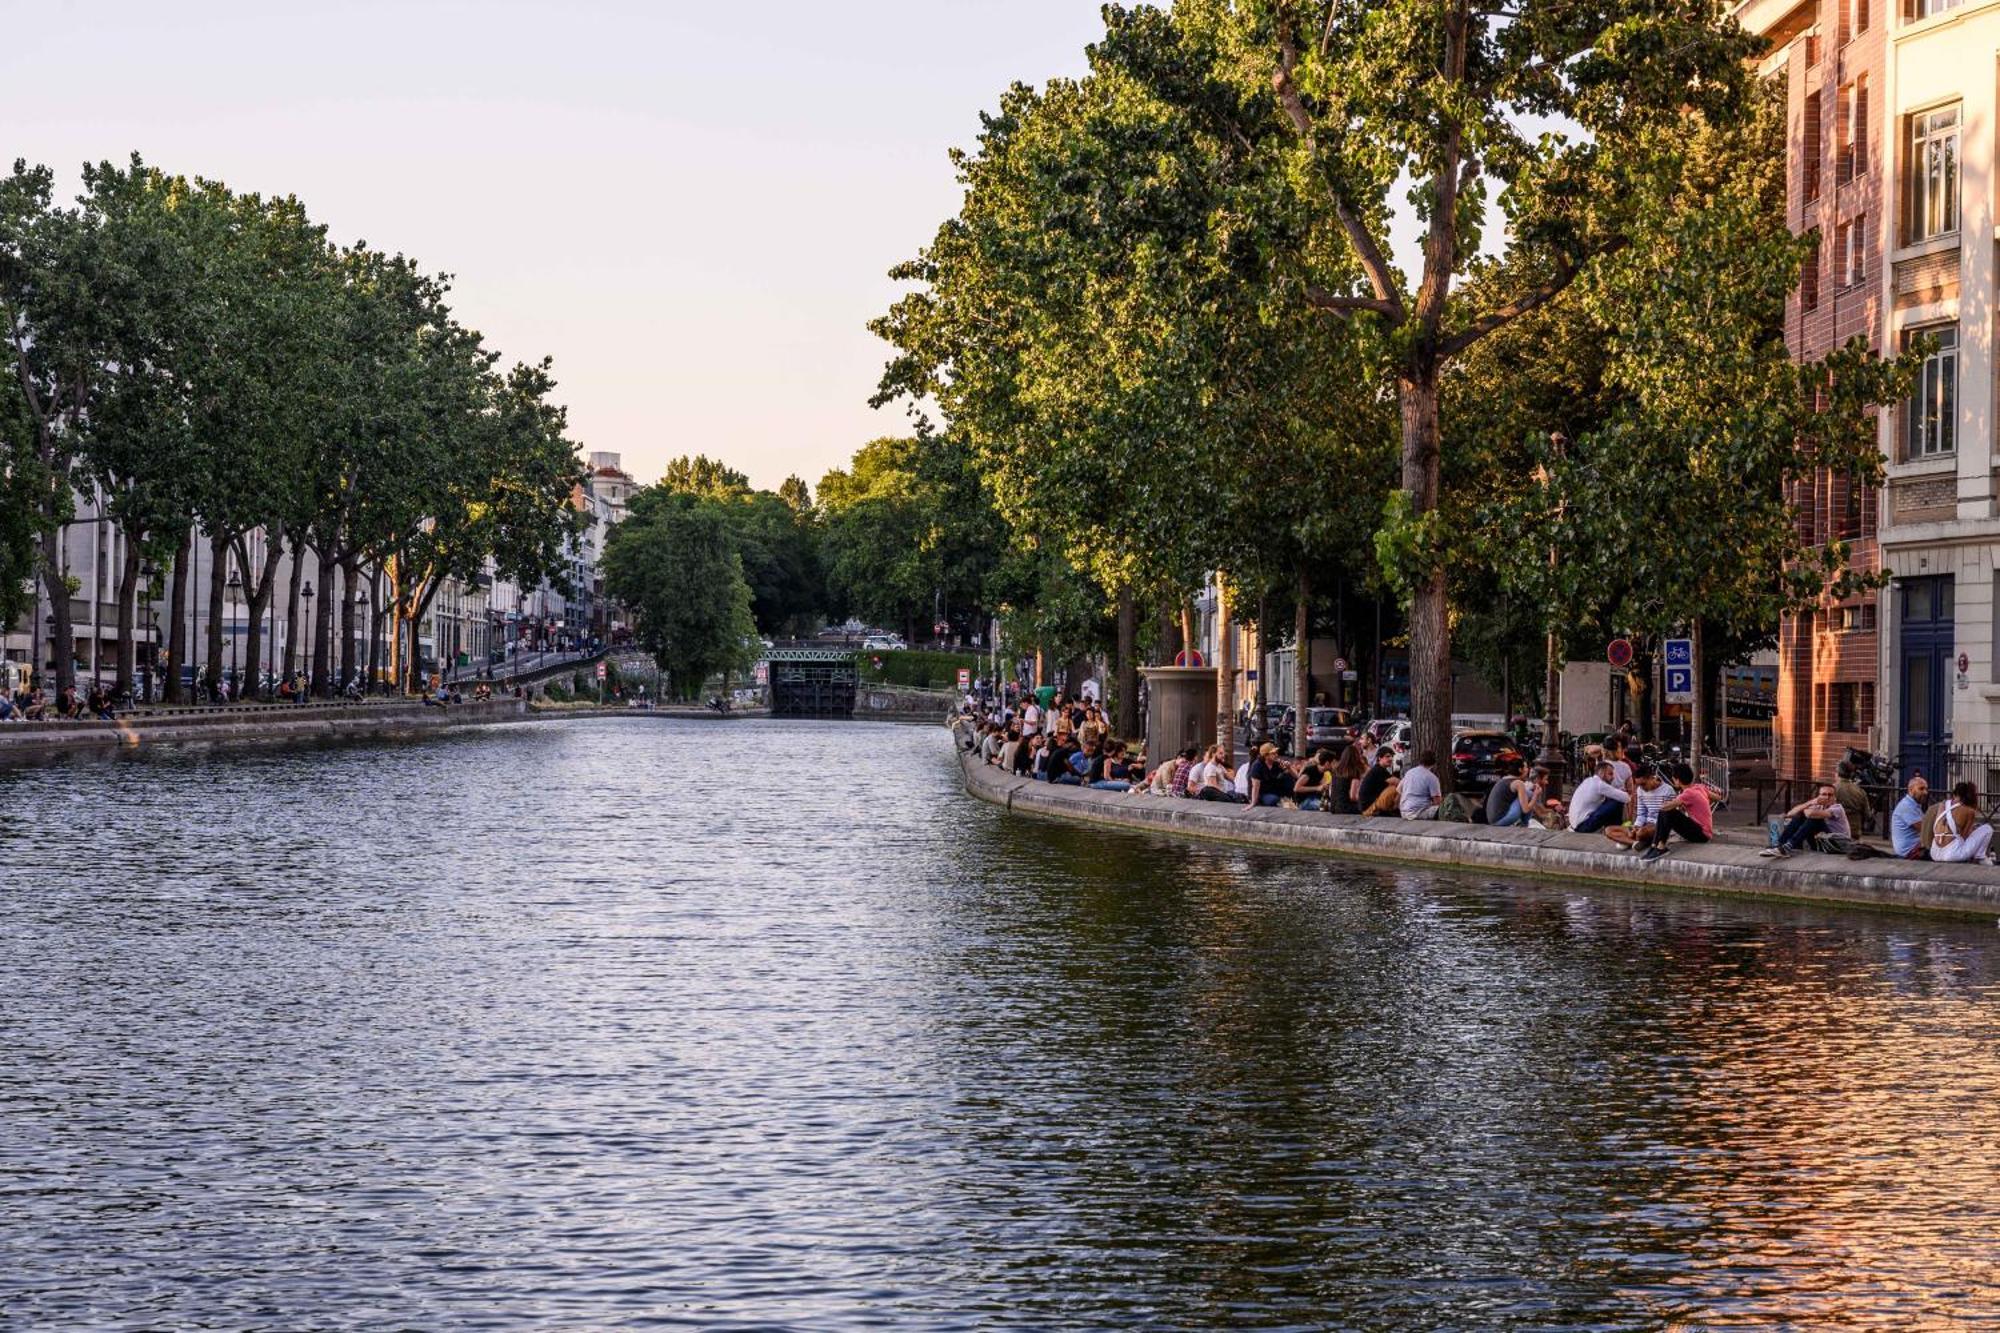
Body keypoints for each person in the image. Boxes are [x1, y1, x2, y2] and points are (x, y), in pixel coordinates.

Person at [1643, 762, 1715, 860]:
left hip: (1702, 835)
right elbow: (1718, 797)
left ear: (1677, 780)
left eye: (1673, 778)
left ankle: (1659, 846)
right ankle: (1655, 845)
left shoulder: (1687, 793)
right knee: (1667, 811)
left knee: (1667, 812)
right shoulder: (1699, 787)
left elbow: (1666, 807)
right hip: (1704, 831)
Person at [1761, 782, 1851, 857]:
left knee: (1814, 819)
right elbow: (1791, 813)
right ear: (1818, 796)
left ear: (1835, 797)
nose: (1827, 797)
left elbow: (1811, 814)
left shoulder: (1837, 808)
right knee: (1799, 817)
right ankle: (1780, 845)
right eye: (1824, 794)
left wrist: (1804, 809)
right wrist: (1811, 803)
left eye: (1830, 795)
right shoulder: (1818, 805)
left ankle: (1787, 847)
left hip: (1837, 844)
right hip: (1823, 842)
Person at [1606, 764, 1671, 851]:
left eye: (1643, 784)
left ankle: (1632, 839)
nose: (1642, 788)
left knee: (1640, 833)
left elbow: (1668, 817)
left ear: (1652, 778)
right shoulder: (1640, 790)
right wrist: (1636, 826)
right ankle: (1635, 842)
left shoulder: (1667, 790)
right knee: (1609, 830)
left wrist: (1644, 828)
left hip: (1658, 826)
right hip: (1644, 826)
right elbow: (1641, 813)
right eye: (1639, 785)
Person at [1929, 782, 1994, 863]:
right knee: (1988, 829)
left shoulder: (1942, 805)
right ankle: (1980, 857)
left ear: (1954, 794)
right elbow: (1964, 837)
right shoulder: (1969, 811)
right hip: (1952, 854)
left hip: (1935, 853)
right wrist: (1973, 830)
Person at [1567, 761, 1631, 833]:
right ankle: (1615, 830)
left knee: (1611, 800)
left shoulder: (1588, 781)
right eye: (1610, 774)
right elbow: (1626, 798)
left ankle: (1611, 829)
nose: (1613, 778)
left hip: (1576, 825)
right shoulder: (1600, 784)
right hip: (1583, 826)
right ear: (1601, 773)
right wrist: (1622, 792)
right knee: (1617, 801)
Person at [1890, 775, 1931, 858]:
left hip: (1915, 847)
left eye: (1926, 789)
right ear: (1911, 790)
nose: (1925, 792)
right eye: (1921, 789)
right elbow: (1925, 830)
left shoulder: (1914, 805)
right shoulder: (1907, 806)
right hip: (1911, 851)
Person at [1398, 750, 1442, 820]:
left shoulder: (1409, 773)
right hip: (1419, 812)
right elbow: (1437, 801)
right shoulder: (1432, 778)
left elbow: (1399, 790)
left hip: (1404, 811)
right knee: (1443, 810)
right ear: (1434, 763)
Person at [1834, 761, 1872, 838]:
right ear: (1851, 774)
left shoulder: (1831, 790)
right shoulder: (1860, 791)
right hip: (1854, 831)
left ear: (1837, 773)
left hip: (1836, 829)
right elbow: (1868, 815)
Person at [1485, 757, 1526, 827]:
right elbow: (1526, 809)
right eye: (1525, 767)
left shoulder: (1504, 779)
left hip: (1492, 820)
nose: (1527, 770)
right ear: (1520, 770)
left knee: (1525, 794)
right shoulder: (1518, 783)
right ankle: (1525, 823)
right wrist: (1536, 794)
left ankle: (1522, 823)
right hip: (1500, 821)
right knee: (1528, 793)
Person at [1330, 742, 1368, 815]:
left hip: (1334, 807)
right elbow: (1353, 796)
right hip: (1346, 807)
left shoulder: (1336, 771)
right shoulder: (1354, 771)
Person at [1357, 746, 1397, 816]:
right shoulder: (1378, 770)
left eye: (1391, 756)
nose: (1391, 759)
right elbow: (1396, 782)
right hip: (1369, 808)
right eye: (1387, 756)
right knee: (1394, 789)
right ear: (1379, 758)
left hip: (1369, 805)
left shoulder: (1381, 770)